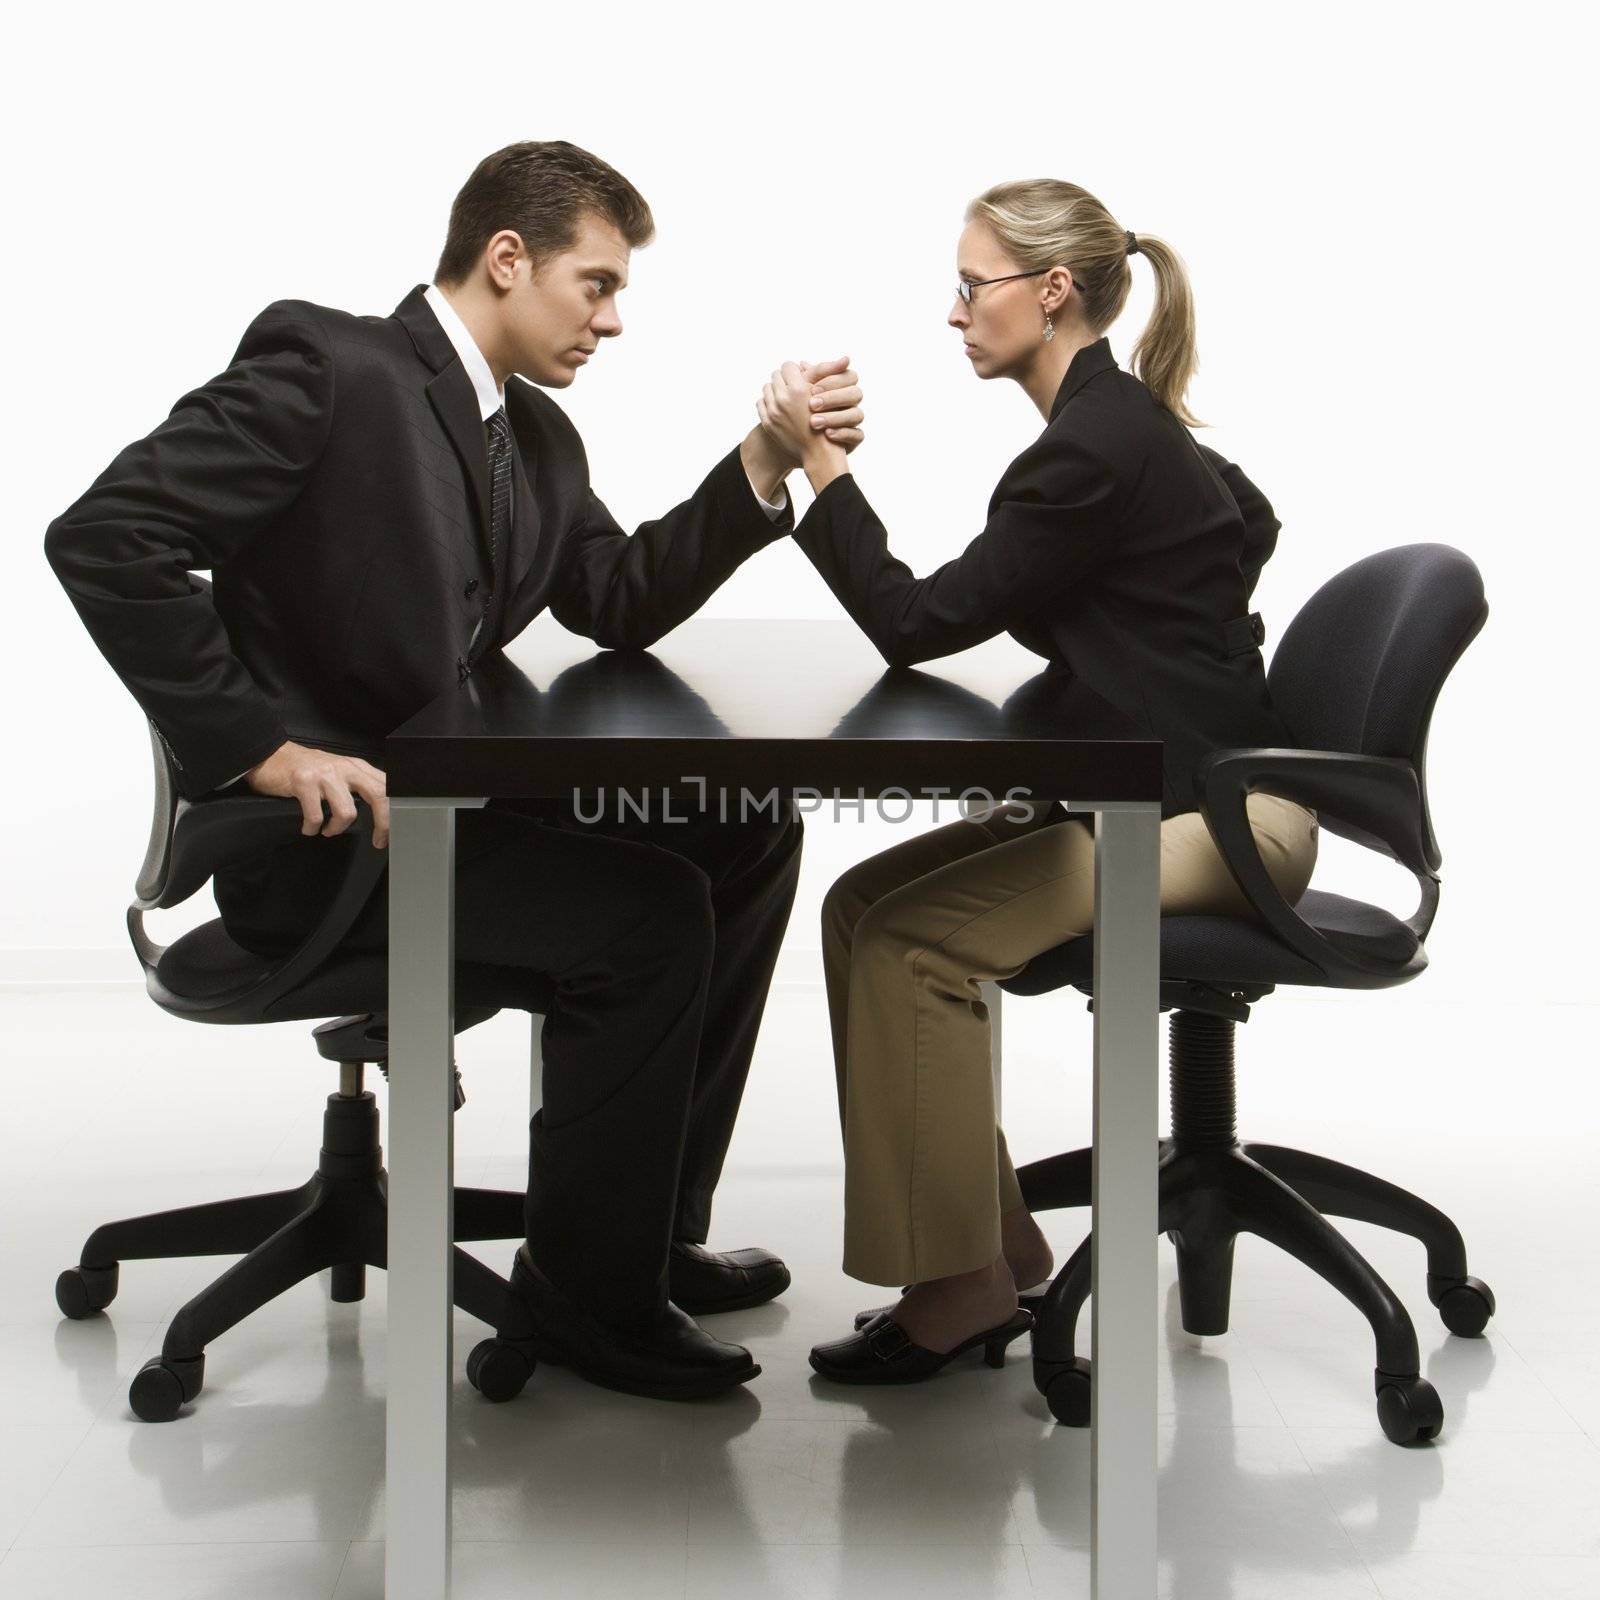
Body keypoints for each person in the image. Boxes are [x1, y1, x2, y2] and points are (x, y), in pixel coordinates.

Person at [43, 140, 866, 1402]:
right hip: (326, 853)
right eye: (594, 284)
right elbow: (105, 534)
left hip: (437, 817)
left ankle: (637, 1236)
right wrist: (254, 747)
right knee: (647, 916)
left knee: (744, 823)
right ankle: (591, 1301)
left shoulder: (532, 437)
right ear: (505, 259)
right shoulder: (332, 368)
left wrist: (763, 463)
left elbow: (617, 595)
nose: (613, 317)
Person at [753, 178, 1318, 1384]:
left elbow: (912, 621)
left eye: (973, 286)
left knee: (914, 941)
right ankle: (998, 1252)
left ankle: (955, 1291)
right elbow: (1247, 521)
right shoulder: (1118, 427)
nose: (955, 312)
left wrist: (821, 470)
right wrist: (1149, 636)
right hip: (1199, 799)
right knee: (864, 909)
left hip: (1229, 821)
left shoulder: (1089, 449)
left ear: (1051, 291)